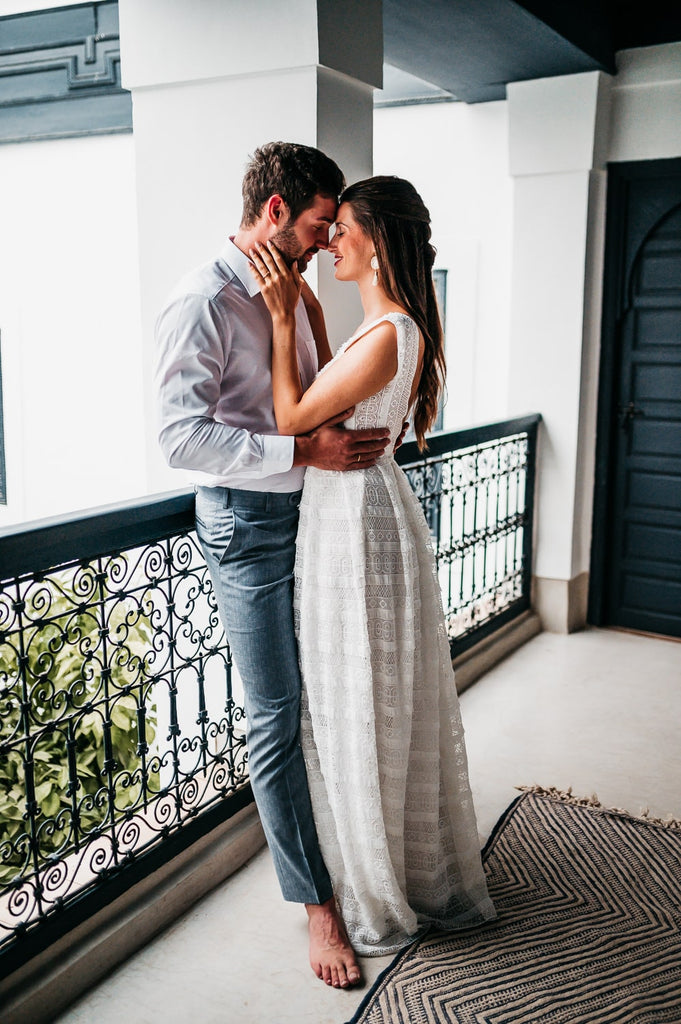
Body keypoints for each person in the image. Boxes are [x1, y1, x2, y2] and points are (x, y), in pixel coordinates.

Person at [155, 143, 392, 989]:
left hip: (310, 514)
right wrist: (301, 447)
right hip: (246, 525)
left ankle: (356, 852)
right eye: (319, 224)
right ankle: (314, 906)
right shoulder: (201, 300)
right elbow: (179, 437)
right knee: (275, 711)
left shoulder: (286, 289)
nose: (326, 242)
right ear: (274, 213)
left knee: (329, 689)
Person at [249, 175, 496, 956]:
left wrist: (284, 320)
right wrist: (314, 307)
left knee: (359, 692)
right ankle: (375, 853)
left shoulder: (390, 333)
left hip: (354, 524)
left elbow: (292, 417)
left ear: (378, 240)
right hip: (348, 512)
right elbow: (329, 398)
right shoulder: (381, 328)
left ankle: (379, 875)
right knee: (358, 690)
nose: (330, 241)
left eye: (343, 229)